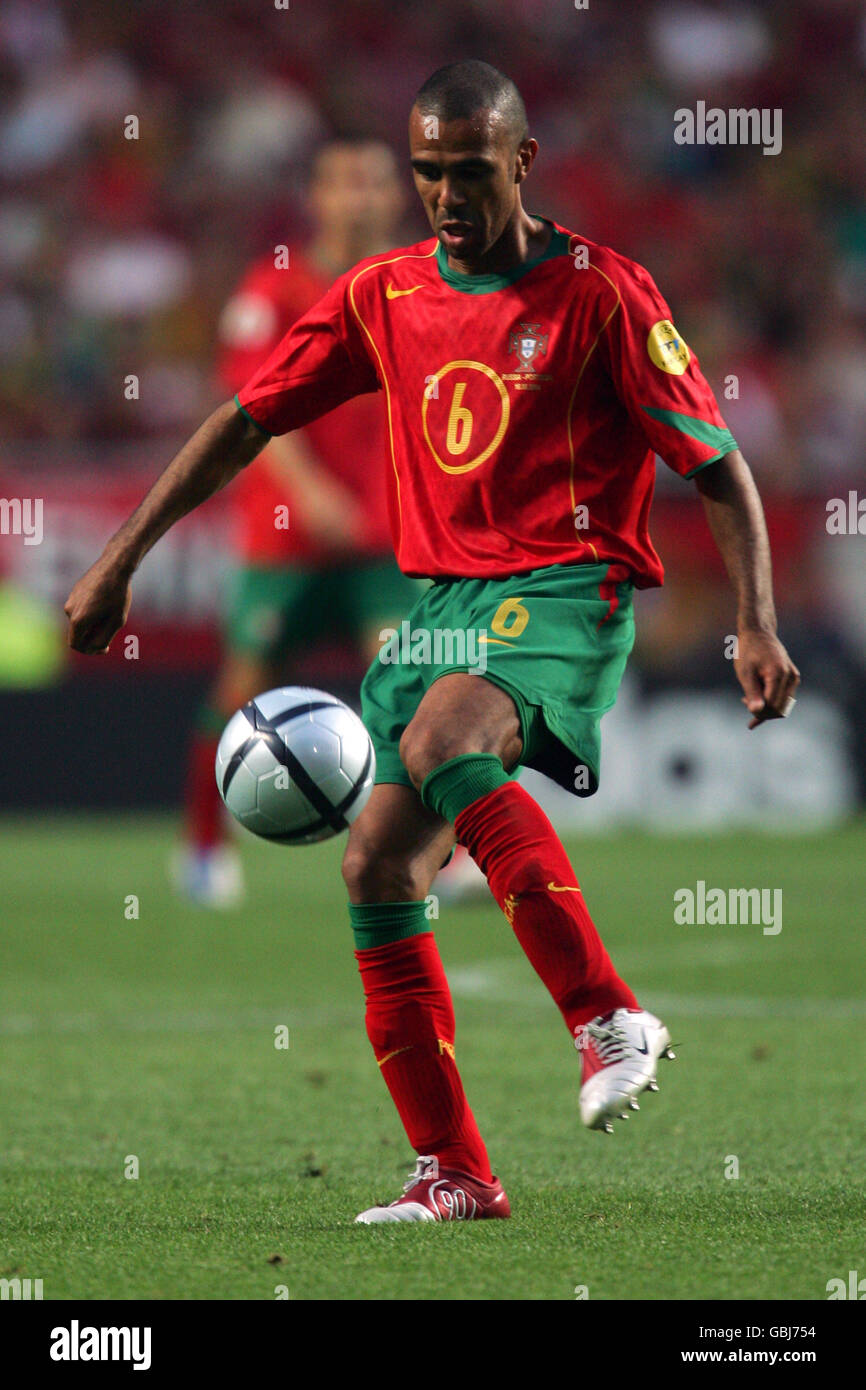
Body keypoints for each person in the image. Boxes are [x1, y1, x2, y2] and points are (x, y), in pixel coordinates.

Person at [65, 60, 800, 1225]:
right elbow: (246, 418)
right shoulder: (380, 293)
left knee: (452, 737)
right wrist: (121, 559)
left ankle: (608, 1013)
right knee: (375, 867)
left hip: (567, 585)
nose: (445, 194)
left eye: (467, 169)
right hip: (440, 602)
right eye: (427, 171)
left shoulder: (601, 292)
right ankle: (455, 1169)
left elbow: (715, 462)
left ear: (521, 162)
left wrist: (754, 621)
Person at [177, 137, 424, 906]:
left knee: (409, 693)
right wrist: (309, 491)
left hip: (386, 539)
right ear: (315, 197)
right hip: (285, 542)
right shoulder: (273, 286)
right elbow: (250, 410)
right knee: (244, 693)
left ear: (395, 196)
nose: (359, 197)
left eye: (373, 182)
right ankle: (203, 849)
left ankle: (428, 857)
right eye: (343, 181)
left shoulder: (422, 284)